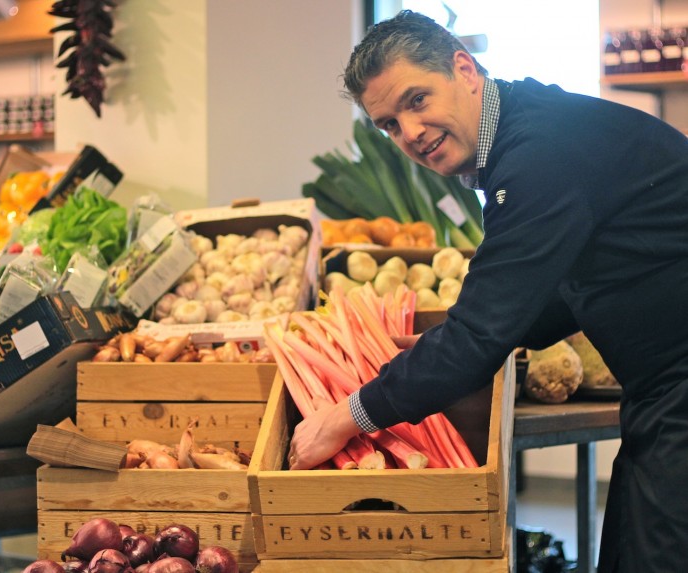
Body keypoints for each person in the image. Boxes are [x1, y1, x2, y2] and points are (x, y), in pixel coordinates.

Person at [286, 9, 688, 573]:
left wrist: (345, 418)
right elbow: (564, 285)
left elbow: (480, 335)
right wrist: (448, 339)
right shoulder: (526, 128)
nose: (411, 132)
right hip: (663, 388)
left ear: (464, 70)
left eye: (417, 100)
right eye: (389, 124)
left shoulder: (537, 155)